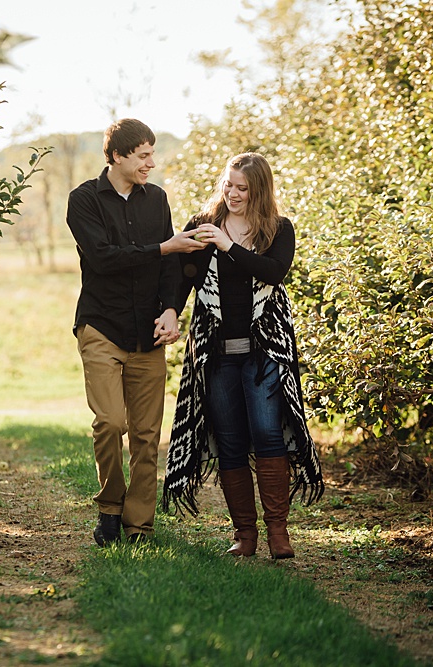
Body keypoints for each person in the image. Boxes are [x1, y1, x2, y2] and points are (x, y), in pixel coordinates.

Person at [162, 152, 324, 559]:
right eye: (228, 185)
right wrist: (170, 311)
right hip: (216, 354)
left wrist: (229, 246)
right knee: (230, 441)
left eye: (242, 188)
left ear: (259, 191)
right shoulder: (202, 226)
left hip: (265, 350)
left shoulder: (278, 230)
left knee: (268, 433)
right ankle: (245, 535)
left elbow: (274, 272)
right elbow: (183, 279)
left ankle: (278, 534)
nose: (232, 194)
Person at [66, 118, 204, 546]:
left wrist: (170, 309)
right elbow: (105, 259)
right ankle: (109, 506)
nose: (151, 163)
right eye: (143, 155)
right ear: (118, 155)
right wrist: (166, 246)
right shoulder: (83, 200)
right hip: (101, 326)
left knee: (146, 436)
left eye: (152, 154)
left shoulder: (156, 200)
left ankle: (139, 526)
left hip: (149, 332)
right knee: (110, 422)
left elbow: (168, 267)